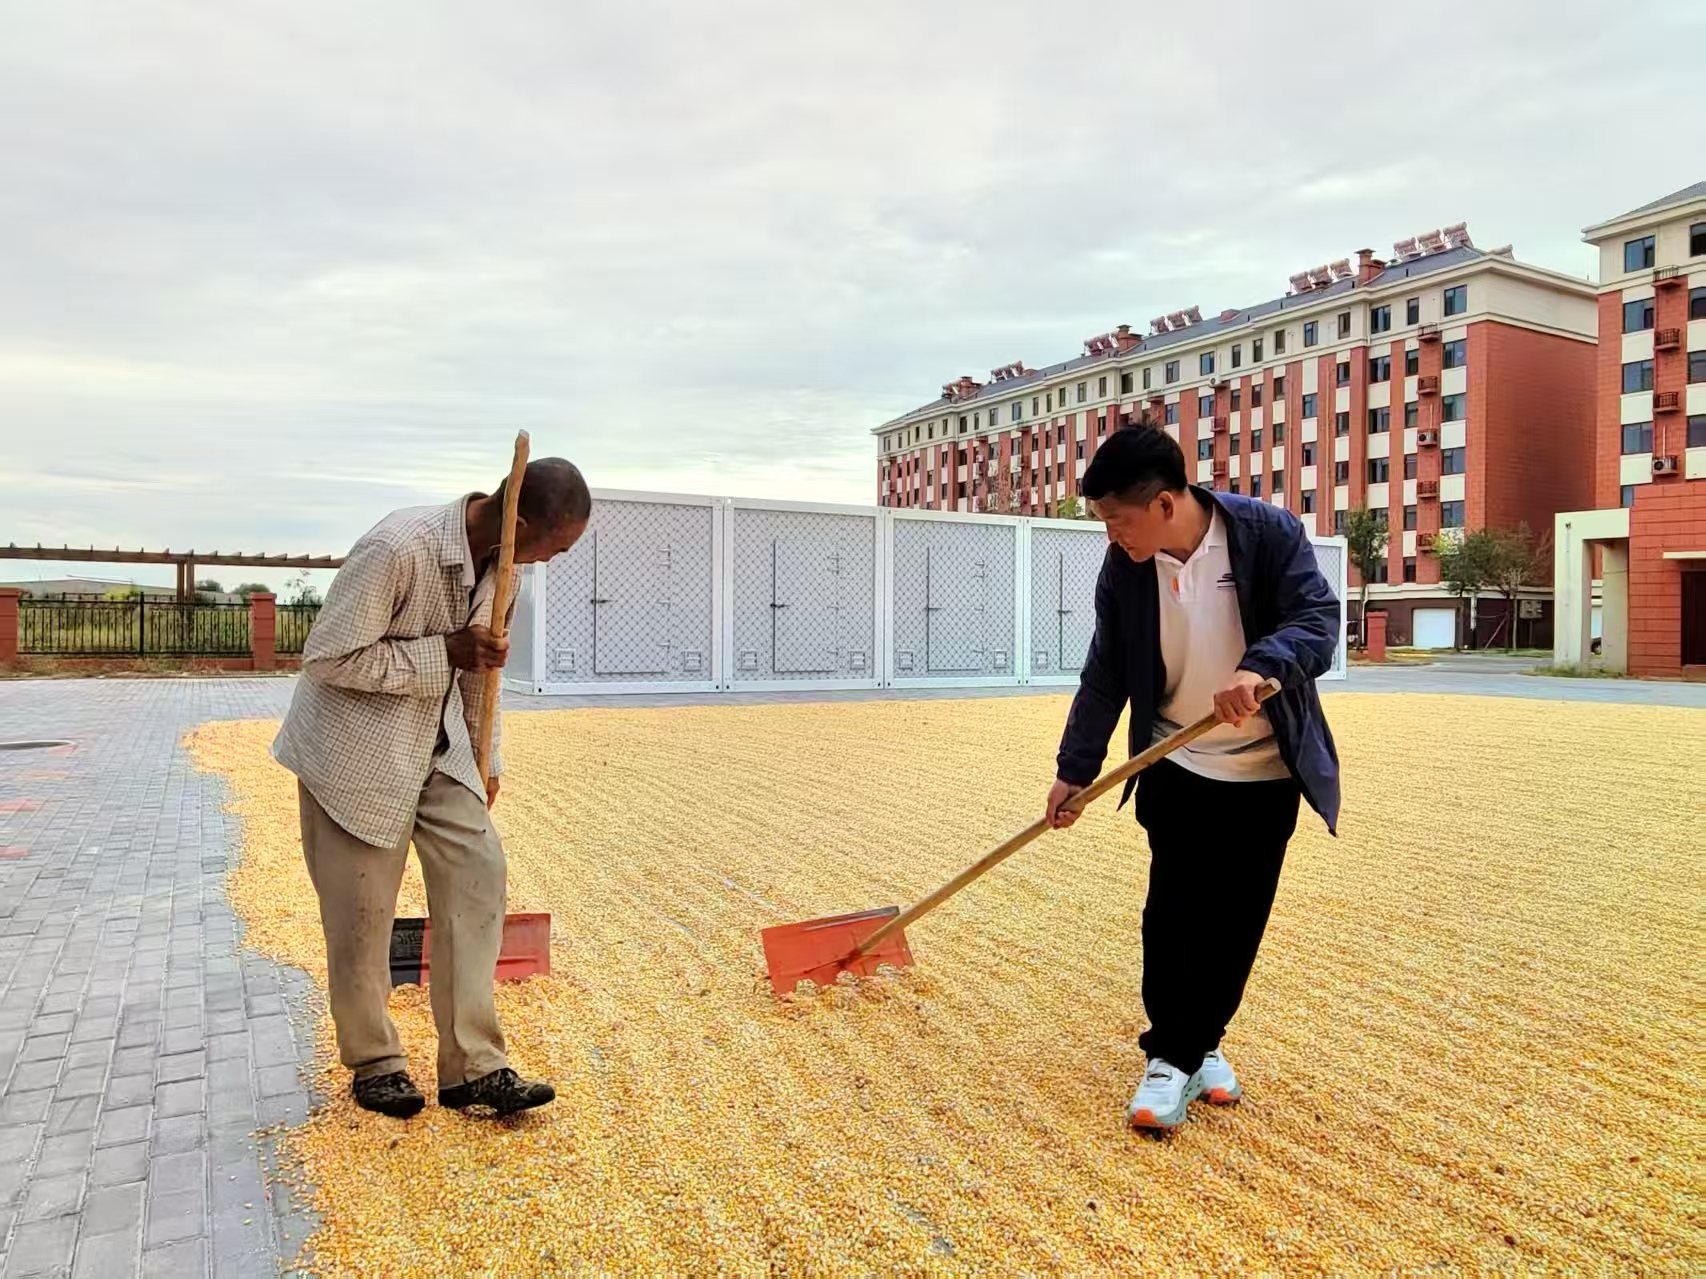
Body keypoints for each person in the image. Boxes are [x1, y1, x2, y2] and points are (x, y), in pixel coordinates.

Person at [273, 458, 592, 1119]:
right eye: (554, 547)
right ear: (520, 522)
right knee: (362, 916)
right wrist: (443, 651)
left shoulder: (508, 571)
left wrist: (488, 758)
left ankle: (473, 1066)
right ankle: (376, 1062)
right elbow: (327, 657)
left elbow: (483, 669)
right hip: (352, 755)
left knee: (479, 873)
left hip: (437, 747)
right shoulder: (398, 547)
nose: (552, 561)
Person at [1044, 424, 1340, 1131]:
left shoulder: (1267, 535)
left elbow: (1319, 619)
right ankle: (1172, 1055)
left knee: (1236, 922)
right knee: (1173, 911)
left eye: (1119, 519)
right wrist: (1073, 770)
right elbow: (1106, 671)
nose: (1113, 535)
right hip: (1173, 758)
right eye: (1105, 522)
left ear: (1168, 503)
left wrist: (1262, 665)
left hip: (1267, 770)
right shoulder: (1126, 568)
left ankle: (1198, 1045)